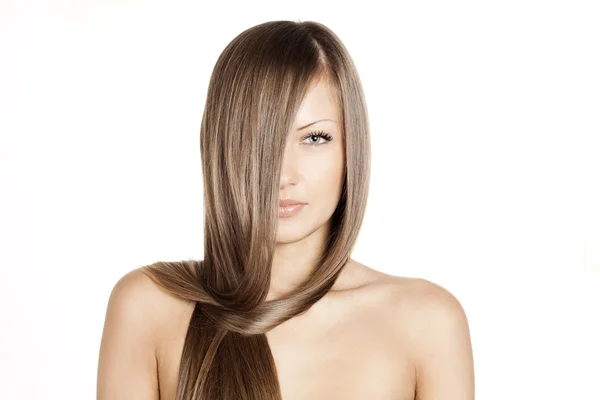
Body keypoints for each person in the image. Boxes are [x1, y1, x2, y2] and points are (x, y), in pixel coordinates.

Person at [97, 19, 474, 400]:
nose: (283, 174)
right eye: (258, 139)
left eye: (314, 137)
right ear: (222, 147)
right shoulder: (150, 307)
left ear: (350, 149)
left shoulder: (427, 323)